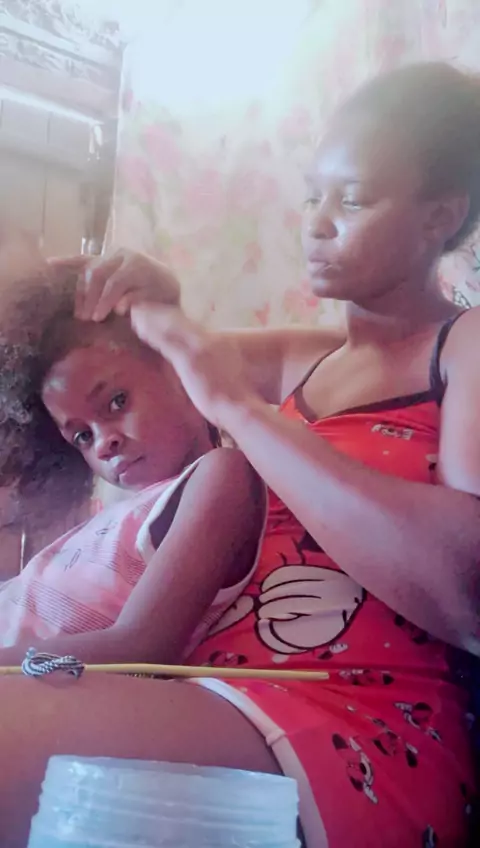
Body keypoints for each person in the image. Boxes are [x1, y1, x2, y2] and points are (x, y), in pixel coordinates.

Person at [0, 61, 479, 848]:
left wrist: (237, 409)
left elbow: (468, 594)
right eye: (312, 196)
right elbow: (149, 368)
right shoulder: (304, 360)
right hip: (216, 692)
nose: (317, 224)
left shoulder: (463, 347)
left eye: (353, 199)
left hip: (362, 720)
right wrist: (154, 298)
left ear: (440, 217)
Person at [0, 263, 265, 662]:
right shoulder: (120, 515)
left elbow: (140, 647)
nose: (103, 444)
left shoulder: (222, 474)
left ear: (179, 368)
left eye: (117, 402)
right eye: (82, 436)